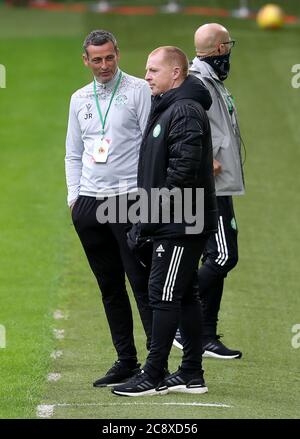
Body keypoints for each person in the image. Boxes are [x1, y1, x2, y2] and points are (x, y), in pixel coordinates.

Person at [112, 46, 218, 397]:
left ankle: (153, 373)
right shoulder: (172, 107)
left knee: (163, 293)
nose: (146, 76)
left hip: (181, 223)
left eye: (154, 70)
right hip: (176, 220)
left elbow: (182, 173)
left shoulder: (184, 110)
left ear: (176, 73)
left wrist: (148, 217)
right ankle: (191, 373)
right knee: (184, 294)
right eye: (146, 70)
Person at [65, 30, 153, 387]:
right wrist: (74, 198)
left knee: (140, 282)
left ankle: (155, 362)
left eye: (109, 57)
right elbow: (73, 152)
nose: (104, 66)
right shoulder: (78, 98)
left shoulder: (138, 91)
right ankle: (126, 359)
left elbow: (151, 146)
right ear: (85, 60)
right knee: (109, 286)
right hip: (89, 203)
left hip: (128, 199)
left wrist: (146, 198)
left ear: (118, 53)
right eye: (96, 59)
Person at [173, 23, 245, 359]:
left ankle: (205, 334)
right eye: (227, 45)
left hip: (220, 185)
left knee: (213, 254)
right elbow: (182, 119)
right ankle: (174, 315)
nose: (229, 50)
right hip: (208, 187)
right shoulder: (198, 81)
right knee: (223, 255)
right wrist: (204, 157)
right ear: (218, 49)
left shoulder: (210, 80)